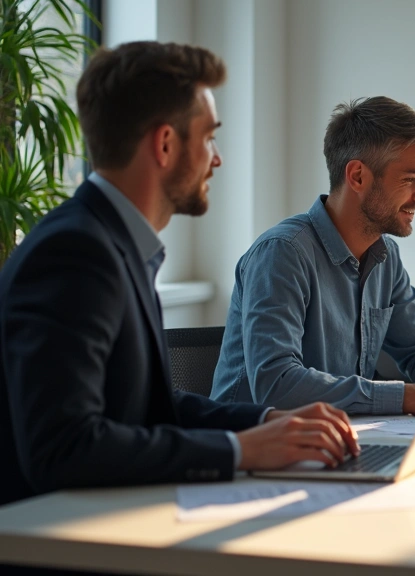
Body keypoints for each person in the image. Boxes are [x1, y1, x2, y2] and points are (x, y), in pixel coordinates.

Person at [0, 42, 359, 507]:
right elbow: (64, 447)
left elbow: (150, 407)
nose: (217, 158)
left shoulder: (115, 242)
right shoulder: (76, 253)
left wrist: (264, 421)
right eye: (209, 136)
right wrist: (239, 450)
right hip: (56, 539)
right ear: (166, 144)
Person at [210, 96, 415, 415]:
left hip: (340, 438)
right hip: (259, 450)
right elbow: (277, 384)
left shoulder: (386, 258)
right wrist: (410, 396)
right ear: (358, 176)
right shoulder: (282, 253)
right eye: (410, 179)